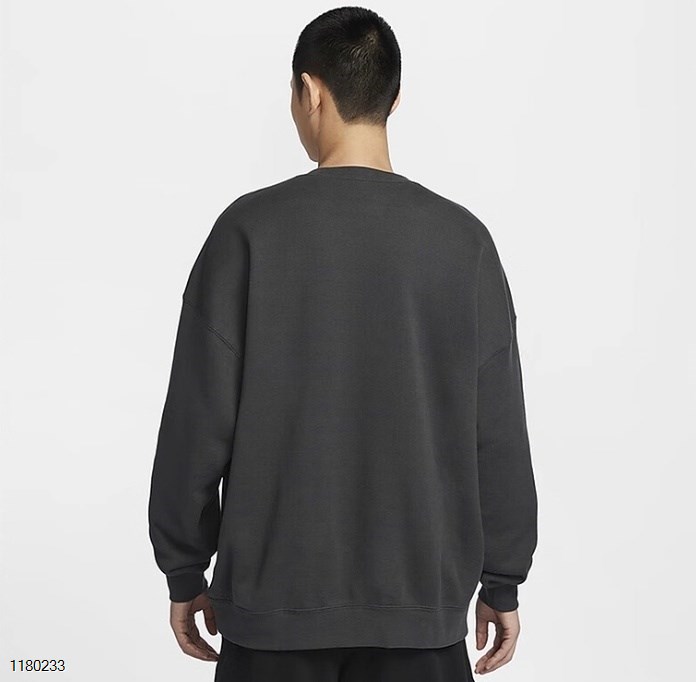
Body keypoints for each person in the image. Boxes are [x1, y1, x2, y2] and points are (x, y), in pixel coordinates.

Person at [148, 6, 538, 681]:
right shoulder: (463, 243)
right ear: (394, 99)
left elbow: (197, 421)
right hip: (420, 616)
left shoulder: (247, 232)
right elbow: (497, 432)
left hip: (272, 618)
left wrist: (184, 568)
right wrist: (502, 581)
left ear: (310, 91)